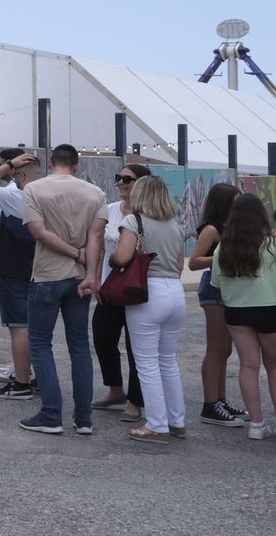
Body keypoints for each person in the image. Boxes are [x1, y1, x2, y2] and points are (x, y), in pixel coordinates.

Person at [18, 144, 105, 436]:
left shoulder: (34, 189)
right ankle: (84, 419)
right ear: (76, 166)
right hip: (80, 279)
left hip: (46, 275)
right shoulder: (96, 193)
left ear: (51, 163)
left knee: (41, 344)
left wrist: (71, 253)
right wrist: (90, 273)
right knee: (79, 347)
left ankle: (51, 415)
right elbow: (96, 237)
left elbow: (38, 233)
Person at [211, 193, 276, 442]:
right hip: (270, 307)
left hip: (237, 310)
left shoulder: (223, 247)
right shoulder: (274, 244)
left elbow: (216, 282)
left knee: (248, 365)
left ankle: (256, 425)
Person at [112, 176, 189, 445]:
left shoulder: (134, 221)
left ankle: (156, 425)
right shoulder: (175, 226)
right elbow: (180, 266)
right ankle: (176, 420)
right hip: (175, 292)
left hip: (148, 293)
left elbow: (122, 257)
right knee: (167, 360)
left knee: (146, 363)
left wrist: (113, 258)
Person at [0, 149, 40, 400]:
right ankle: (29, 374)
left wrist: (11, 165)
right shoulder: (44, 194)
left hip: (15, 271)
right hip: (37, 268)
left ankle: (21, 382)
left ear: (18, 172)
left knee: (19, 327)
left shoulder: (15, 195)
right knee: (32, 327)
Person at [92, 164, 150, 422]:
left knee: (136, 346)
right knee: (103, 337)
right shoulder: (111, 210)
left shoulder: (150, 214)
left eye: (128, 179)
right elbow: (99, 247)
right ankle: (115, 389)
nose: (122, 183)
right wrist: (94, 278)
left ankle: (136, 402)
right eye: (119, 178)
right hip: (110, 286)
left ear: (144, 183)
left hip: (137, 288)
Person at [188, 183, 247, 426]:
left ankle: (220, 399)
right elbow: (194, 262)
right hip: (213, 290)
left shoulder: (232, 227)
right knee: (215, 348)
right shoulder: (211, 229)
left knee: (225, 349)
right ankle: (209, 404)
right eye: (236, 200)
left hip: (232, 290)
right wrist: (225, 256)